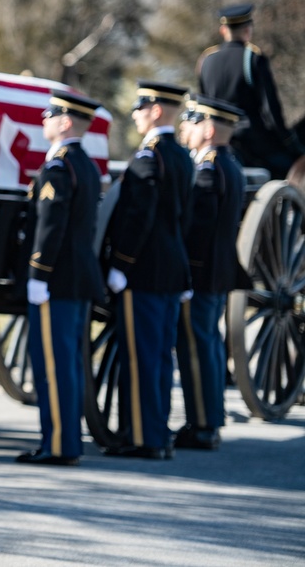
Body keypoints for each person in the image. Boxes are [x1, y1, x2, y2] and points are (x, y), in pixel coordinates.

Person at [104, 80, 193, 460]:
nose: (136, 114)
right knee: (158, 356)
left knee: (141, 356)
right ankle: (157, 432)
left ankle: (144, 438)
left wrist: (121, 263)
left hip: (143, 272)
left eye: (141, 107)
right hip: (172, 270)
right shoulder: (182, 156)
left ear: (156, 110)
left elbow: (138, 218)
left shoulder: (147, 158)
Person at [16, 91, 104, 467]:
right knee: (66, 363)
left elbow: (50, 228)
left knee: (53, 366)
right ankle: (66, 441)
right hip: (76, 279)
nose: (43, 120)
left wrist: (38, 274)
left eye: (49, 115)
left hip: (56, 281)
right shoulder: (86, 164)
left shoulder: (58, 167)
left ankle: (58, 445)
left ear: (65, 122)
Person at [174, 95, 246, 451]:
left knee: (196, 348)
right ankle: (209, 420)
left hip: (199, 276)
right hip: (216, 275)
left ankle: (202, 424)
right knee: (209, 345)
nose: (185, 128)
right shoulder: (228, 165)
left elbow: (195, 231)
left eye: (192, 121)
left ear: (210, 128)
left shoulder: (207, 169)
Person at [197, 3, 302, 178]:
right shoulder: (253, 58)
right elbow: (270, 109)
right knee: (292, 169)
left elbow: (203, 102)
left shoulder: (206, 60)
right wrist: (288, 140)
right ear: (248, 30)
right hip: (252, 142)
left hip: (217, 138)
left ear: (223, 30)